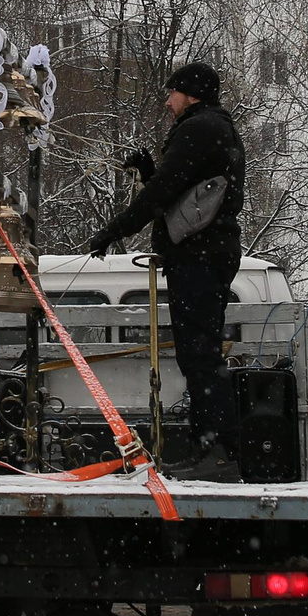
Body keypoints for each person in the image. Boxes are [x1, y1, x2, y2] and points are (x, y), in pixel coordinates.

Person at [84, 62, 247, 459]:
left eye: (172, 92)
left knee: (199, 356)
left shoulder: (198, 128)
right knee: (199, 353)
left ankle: (217, 452)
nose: (166, 100)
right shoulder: (213, 128)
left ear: (191, 94)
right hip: (209, 252)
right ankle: (212, 448)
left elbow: (161, 194)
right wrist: (149, 170)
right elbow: (179, 191)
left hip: (199, 256)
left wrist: (114, 230)